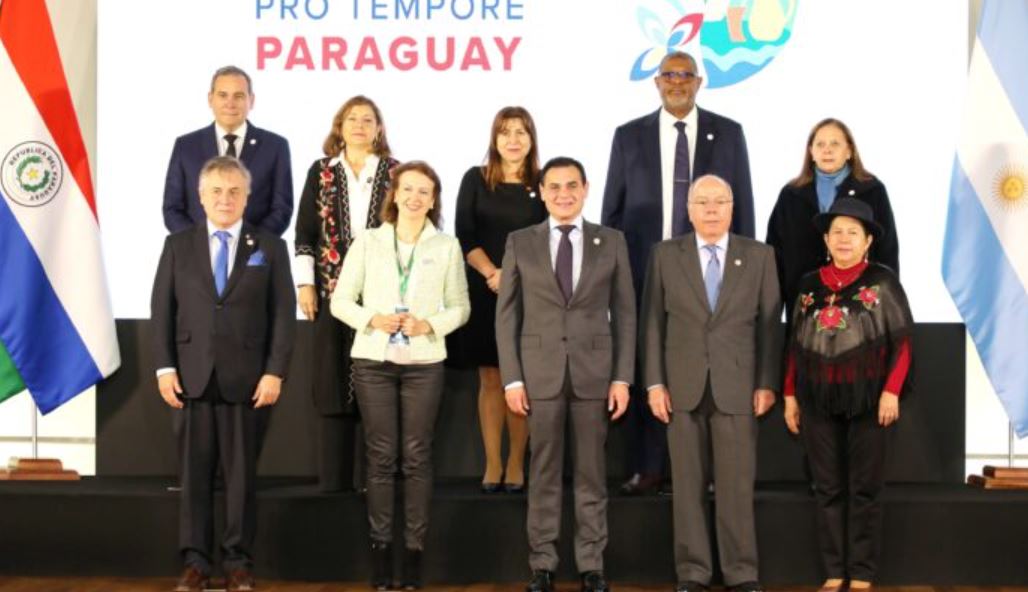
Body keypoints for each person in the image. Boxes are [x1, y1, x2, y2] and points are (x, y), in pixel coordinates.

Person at [602, 50, 755, 495]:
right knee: (646, 361)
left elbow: (740, 205)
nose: (677, 82)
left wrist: (739, 276)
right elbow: (613, 211)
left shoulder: (728, 134)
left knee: (701, 367)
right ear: (656, 82)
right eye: (669, 75)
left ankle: (701, 471)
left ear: (700, 81)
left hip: (709, 274)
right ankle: (647, 466)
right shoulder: (628, 136)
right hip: (643, 270)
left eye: (685, 75)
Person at [151, 156, 296, 592]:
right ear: (200, 196)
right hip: (190, 378)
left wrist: (275, 373)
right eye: (216, 191)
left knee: (241, 479)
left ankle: (237, 562)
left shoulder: (269, 247)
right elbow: (162, 312)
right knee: (193, 478)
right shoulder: (177, 245)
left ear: (247, 195)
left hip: (248, 380)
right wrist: (163, 367)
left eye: (234, 191)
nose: (225, 199)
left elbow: (283, 316)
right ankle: (196, 561)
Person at [497, 157, 635, 592]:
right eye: (554, 186)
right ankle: (543, 564)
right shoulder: (520, 242)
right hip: (539, 377)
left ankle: (591, 563)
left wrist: (622, 378)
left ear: (585, 188)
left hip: (595, 375)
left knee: (593, 474)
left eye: (571, 185)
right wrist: (513, 379)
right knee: (543, 474)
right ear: (541, 191)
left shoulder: (611, 241)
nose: (563, 194)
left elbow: (626, 314)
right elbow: (507, 316)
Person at [331, 161, 470, 590]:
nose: (414, 197)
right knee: (381, 456)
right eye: (407, 189)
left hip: (424, 365)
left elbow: (460, 308)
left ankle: (413, 556)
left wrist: (429, 325)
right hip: (373, 362)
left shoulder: (446, 245)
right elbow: (340, 302)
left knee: (416, 455)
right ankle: (380, 556)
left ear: (433, 200)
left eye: (423, 191)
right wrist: (373, 319)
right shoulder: (369, 241)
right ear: (394, 194)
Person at [640, 175, 780, 592]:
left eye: (721, 201)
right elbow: (651, 324)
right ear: (689, 209)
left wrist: (767, 382)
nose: (712, 209)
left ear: (733, 208)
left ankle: (741, 572)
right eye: (703, 202)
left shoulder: (760, 256)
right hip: (680, 387)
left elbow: (770, 328)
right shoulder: (665, 255)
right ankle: (693, 572)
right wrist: (653, 384)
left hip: (739, 387)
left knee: (736, 487)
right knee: (686, 487)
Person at [782, 198, 913, 592]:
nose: (843, 239)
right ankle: (834, 569)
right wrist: (790, 395)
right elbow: (795, 346)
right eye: (836, 231)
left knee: (865, 488)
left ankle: (862, 573)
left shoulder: (883, 282)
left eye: (852, 232)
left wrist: (891, 391)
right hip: (817, 400)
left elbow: (903, 343)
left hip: (870, 400)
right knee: (827, 488)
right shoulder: (807, 286)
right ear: (825, 238)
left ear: (868, 241)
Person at [294, 96, 400, 492]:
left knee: (378, 384)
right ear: (339, 126)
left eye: (368, 119)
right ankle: (334, 484)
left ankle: (374, 484)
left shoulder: (394, 172)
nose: (359, 125)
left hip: (381, 296)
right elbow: (304, 233)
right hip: (330, 290)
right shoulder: (320, 172)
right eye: (352, 118)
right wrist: (305, 284)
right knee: (332, 379)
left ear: (379, 128)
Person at [454, 106, 547, 493]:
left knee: (520, 380)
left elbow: (548, 237)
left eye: (521, 132)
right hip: (484, 286)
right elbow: (465, 233)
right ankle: (492, 463)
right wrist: (493, 273)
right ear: (494, 139)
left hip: (530, 293)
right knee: (490, 378)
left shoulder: (544, 182)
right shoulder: (475, 179)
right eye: (505, 132)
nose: (513, 140)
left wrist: (513, 278)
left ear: (531, 138)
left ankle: (515, 464)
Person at [766, 118, 899, 319]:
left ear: (849, 151)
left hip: (858, 304)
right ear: (811, 152)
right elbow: (774, 253)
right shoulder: (791, 194)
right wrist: (774, 312)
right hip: (802, 301)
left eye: (835, 144)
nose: (827, 150)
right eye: (820, 144)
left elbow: (886, 250)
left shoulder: (872, 190)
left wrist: (887, 301)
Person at [163, 65, 293, 236]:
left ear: (251, 100)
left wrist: (250, 245)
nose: (230, 104)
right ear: (210, 99)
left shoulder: (275, 146)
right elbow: (172, 208)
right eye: (223, 95)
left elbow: (281, 208)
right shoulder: (186, 146)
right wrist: (199, 244)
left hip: (253, 255)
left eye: (238, 96)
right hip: (195, 257)